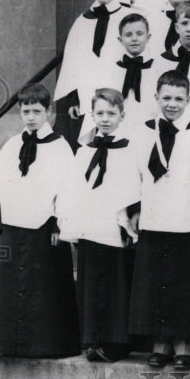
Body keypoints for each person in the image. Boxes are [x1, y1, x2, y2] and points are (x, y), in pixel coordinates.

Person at [0, 83, 80, 357]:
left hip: (45, 229)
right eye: (26, 111)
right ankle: (9, 344)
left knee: (44, 291)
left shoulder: (60, 147)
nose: (31, 117)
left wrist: (60, 224)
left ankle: (45, 345)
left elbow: (68, 187)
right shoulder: (13, 145)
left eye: (37, 111)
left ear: (48, 112)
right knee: (11, 288)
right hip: (14, 226)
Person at [128, 71, 190, 372]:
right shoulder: (143, 131)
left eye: (178, 99)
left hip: (185, 216)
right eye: (166, 98)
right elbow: (133, 173)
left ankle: (186, 345)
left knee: (183, 282)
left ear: (188, 100)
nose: (172, 104)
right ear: (156, 98)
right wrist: (135, 208)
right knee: (156, 281)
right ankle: (160, 343)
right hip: (153, 214)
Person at [57, 88, 140, 363]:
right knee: (91, 284)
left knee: (115, 284)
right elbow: (73, 189)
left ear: (122, 115)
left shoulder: (130, 149)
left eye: (111, 113)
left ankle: (116, 342)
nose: (105, 119)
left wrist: (128, 221)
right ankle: (93, 339)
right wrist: (72, 225)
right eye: (100, 113)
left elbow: (134, 187)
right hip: (90, 226)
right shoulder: (83, 151)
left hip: (115, 227)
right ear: (91, 115)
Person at [53, 0, 132, 145]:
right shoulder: (82, 22)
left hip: (120, 91)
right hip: (87, 94)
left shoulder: (128, 18)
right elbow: (72, 64)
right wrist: (73, 99)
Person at [79, 12, 157, 141]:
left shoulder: (157, 70)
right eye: (128, 35)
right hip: (116, 135)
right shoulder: (109, 71)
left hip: (147, 135)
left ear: (148, 37)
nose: (134, 39)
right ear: (120, 40)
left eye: (139, 33)